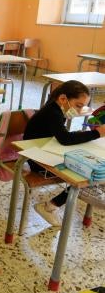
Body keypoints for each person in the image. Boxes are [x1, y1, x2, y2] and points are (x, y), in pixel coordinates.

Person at [23, 80, 105, 226]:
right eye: (78, 106)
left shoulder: (56, 108)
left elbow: (61, 136)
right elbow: (65, 139)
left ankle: (53, 205)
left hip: (47, 152)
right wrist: (97, 133)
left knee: (90, 169)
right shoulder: (53, 112)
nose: (80, 111)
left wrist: (80, 135)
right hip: (39, 160)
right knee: (85, 175)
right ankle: (49, 207)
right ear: (62, 99)